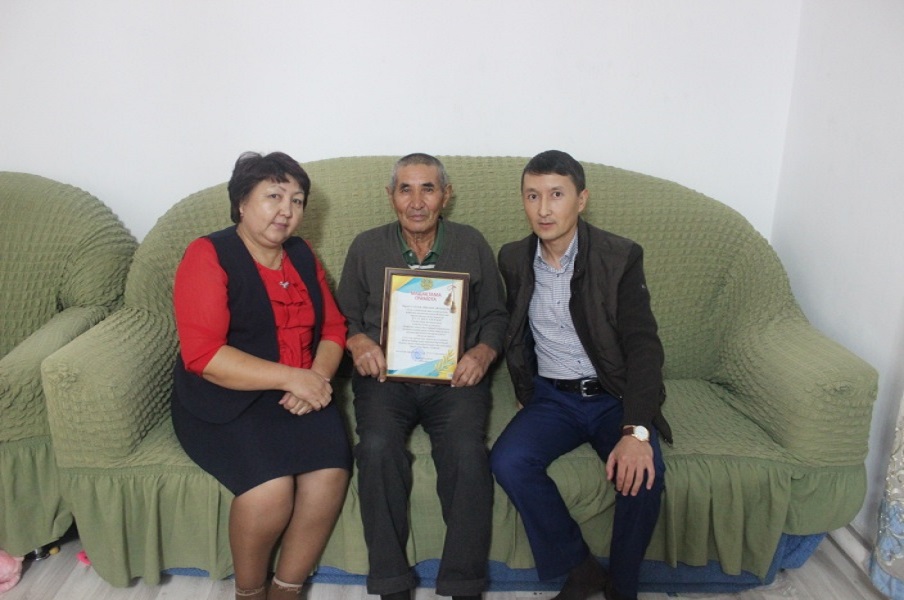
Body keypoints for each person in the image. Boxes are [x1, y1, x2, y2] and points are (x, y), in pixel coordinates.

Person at [489, 150, 673, 600]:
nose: (543, 209)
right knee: (509, 461)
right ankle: (580, 568)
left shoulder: (619, 256)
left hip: (613, 396)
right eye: (532, 196)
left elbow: (644, 347)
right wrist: (525, 388)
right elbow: (513, 330)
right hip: (553, 397)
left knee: (643, 474)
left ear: (582, 199)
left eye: (556, 195)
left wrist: (637, 429)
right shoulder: (513, 258)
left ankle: (622, 587)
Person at [171, 151, 351, 600]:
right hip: (225, 395)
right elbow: (204, 356)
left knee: (329, 475)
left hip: (302, 388)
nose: (286, 210)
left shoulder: (302, 254)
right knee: (270, 492)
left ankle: (286, 590)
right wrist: (292, 378)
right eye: (273, 196)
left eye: (297, 200)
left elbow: (334, 329)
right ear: (241, 203)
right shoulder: (208, 254)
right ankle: (249, 594)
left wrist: (316, 379)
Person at [336, 153, 508, 600]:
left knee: (467, 453)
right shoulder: (366, 246)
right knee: (376, 449)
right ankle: (391, 583)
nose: (416, 202)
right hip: (384, 380)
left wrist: (483, 352)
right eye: (405, 189)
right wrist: (358, 341)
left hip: (455, 380)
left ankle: (464, 584)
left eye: (428, 189)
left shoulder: (471, 243)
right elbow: (343, 317)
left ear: (445, 195)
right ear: (390, 195)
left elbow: (496, 315)